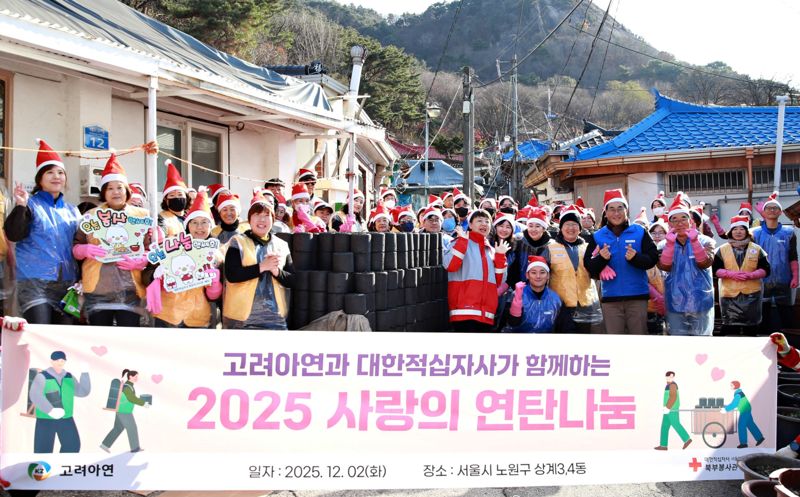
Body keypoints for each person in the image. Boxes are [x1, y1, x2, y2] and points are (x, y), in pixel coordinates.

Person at [4, 139, 81, 325]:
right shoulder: (30, 204)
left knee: (63, 337)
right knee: (40, 332)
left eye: (60, 172)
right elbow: (13, 234)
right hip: (34, 282)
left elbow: (79, 245)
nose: (56, 177)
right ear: (40, 179)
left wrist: (82, 278)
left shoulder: (73, 211)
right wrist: (21, 206)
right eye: (50, 172)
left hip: (67, 284)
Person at [73, 155, 150, 327]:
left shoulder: (142, 217)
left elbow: (150, 248)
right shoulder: (91, 216)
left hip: (130, 289)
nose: (115, 192)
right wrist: (83, 250)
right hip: (97, 288)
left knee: (127, 337)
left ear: (127, 191)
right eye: (110, 188)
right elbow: (76, 247)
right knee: (100, 337)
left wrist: (143, 259)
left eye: (119, 187)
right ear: (103, 192)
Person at [144, 190, 223, 328]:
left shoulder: (217, 254)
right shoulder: (171, 246)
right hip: (168, 315)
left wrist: (215, 286)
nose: (199, 227)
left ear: (211, 226)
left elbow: (217, 297)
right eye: (194, 222)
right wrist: (155, 276)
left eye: (204, 222)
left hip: (198, 318)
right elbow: (146, 275)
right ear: (187, 225)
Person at [584, 189, 658, 334]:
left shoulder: (639, 231)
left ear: (626, 210)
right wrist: (601, 259)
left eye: (620, 208)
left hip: (637, 297)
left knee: (639, 338)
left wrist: (636, 258)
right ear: (605, 212)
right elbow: (589, 267)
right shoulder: (598, 236)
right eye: (611, 209)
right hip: (610, 298)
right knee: (615, 341)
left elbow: (653, 258)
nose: (616, 213)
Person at [223, 190, 293, 329]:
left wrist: (276, 271)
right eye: (257, 215)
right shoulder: (237, 242)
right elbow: (232, 275)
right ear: (249, 219)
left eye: (267, 215)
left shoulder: (282, 245)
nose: (262, 220)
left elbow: (293, 279)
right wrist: (262, 266)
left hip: (275, 317)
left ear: (273, 219)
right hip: (239, 318)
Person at [657, 193, 716, 336]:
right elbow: (664, 266)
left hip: (701, 301)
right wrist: (670, 245)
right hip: (674, 302)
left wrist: (695, 242)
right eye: (674, 219)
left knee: (702, 342)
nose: (680, 223)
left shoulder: (706, 241)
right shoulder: (663, 245)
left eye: (684, 218)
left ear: (691, 221)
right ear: (669, 223)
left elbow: (705, 263)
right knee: (678, 343)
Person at [444, 209, 510, 332]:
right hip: (463, 312)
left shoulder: (492, 250)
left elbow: (499, 282)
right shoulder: (460, 242)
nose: (484, 224)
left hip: (486, 314)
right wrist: (462, 242)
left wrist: (500, 256)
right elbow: (450, 265)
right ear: (470, 224)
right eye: (479, 221)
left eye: (487, 221)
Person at [713, 215, 770, 335]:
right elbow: (715, 269)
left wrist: (752, 275)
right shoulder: (721, 250)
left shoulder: (757, 249)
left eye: (742, 229)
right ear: (730, 232)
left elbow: (766, 269)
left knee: (751, 329)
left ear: (747, 232)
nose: (738, 232)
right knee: (730, 329)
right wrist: (730, 274)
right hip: (729, 295)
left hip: (752, 296)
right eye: (735, 229)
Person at [547, 205, 601, 332]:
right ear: (561, 228)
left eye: (574, 224)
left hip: (585, 303)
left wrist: (601, 259)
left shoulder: (588, 247)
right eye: (567, 224)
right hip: (560, 304)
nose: (571, 228)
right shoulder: (550, 248)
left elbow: (595, 272)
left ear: (580, 228)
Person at [752, 191, 798, 332]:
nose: (772, 210)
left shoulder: (789, 232)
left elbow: (793, 256)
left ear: (780, 212)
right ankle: (762, 340)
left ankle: (789, 341)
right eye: (769, 208)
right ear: (763, 212)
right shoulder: (754, 233)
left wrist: (796, 276)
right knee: (762, 314)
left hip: (784, 279)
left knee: (786, 314)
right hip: (761, 280)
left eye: (775, 208)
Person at [29, 350, 91, 453]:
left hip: (65, 417)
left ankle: (62, 463)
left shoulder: (69, 377)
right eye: (57, 360)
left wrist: (85, 373)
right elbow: (35, 395)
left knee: (72, 446)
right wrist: (50, 410)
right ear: (51, 361)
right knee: (43, 449)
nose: (59, 362)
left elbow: (82, 392)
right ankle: (44, 464)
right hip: (46, 418)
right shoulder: (42, 376)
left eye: (62, 360)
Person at [504, 255, 561, 333]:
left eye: (542, 272)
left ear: (548, 275)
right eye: (533, 273)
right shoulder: (516, 295)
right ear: (527, 275)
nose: (538, 276)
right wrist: (517, 301)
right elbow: (512, 323)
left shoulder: (556, 299)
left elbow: (564, 326)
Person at [100, 369, 150, 453]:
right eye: (135, 377)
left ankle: (104, 445)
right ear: (130, 376)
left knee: (118, 428)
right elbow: (131, 398)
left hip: (121, 410)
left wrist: (142, 402)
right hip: (125, 412)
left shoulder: (129, 386)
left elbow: (132, 398)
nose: (137, 378)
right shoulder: (127, 387)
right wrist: (143, 403)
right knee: (132, 428)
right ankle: (135, 448)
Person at [510, 207, 552, 287]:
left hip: (543, 289)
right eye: (530, 226)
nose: (533, 229)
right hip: (520, 287)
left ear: (543, 228)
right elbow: (513, 267)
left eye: (537, 226)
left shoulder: (551, 246)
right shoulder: (518, 242)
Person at [654, 371, 692, 451]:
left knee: (676, 424)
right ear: (666, 377)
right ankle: (663, 445)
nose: (671, 378)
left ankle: (687, 439)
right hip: (667, 409)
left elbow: (673, 397)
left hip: (672, 409)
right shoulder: (668, 385)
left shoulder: (672, 385)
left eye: (672, 377)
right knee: (664, 426)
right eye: (670, 376)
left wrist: (668, 407)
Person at [721, 380, 764, 449]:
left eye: (732, 385)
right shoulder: (739, 393)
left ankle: (743, 443)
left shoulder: (737, 394)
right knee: (750, 424)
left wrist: (726, 409)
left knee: (741, 426)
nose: (730, 386)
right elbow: (734, 403)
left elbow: (734, 404)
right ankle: (760, 438)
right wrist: (725, 406)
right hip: (747, 409)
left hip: (744, 410)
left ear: (735, 386)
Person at [647, 217, 668, 334]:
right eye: (654, 233)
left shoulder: (672, 252)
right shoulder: (645, 254)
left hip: (672, 304)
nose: (657, 236)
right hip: (650, 306)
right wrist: (656, 296)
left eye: (661, 233)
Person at [159, 160, 188, 236]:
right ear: (166, 200)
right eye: (172, 195)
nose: (177, 198)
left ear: (186, 197)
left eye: (180, 194)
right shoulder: (161, 218)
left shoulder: (192, 217)